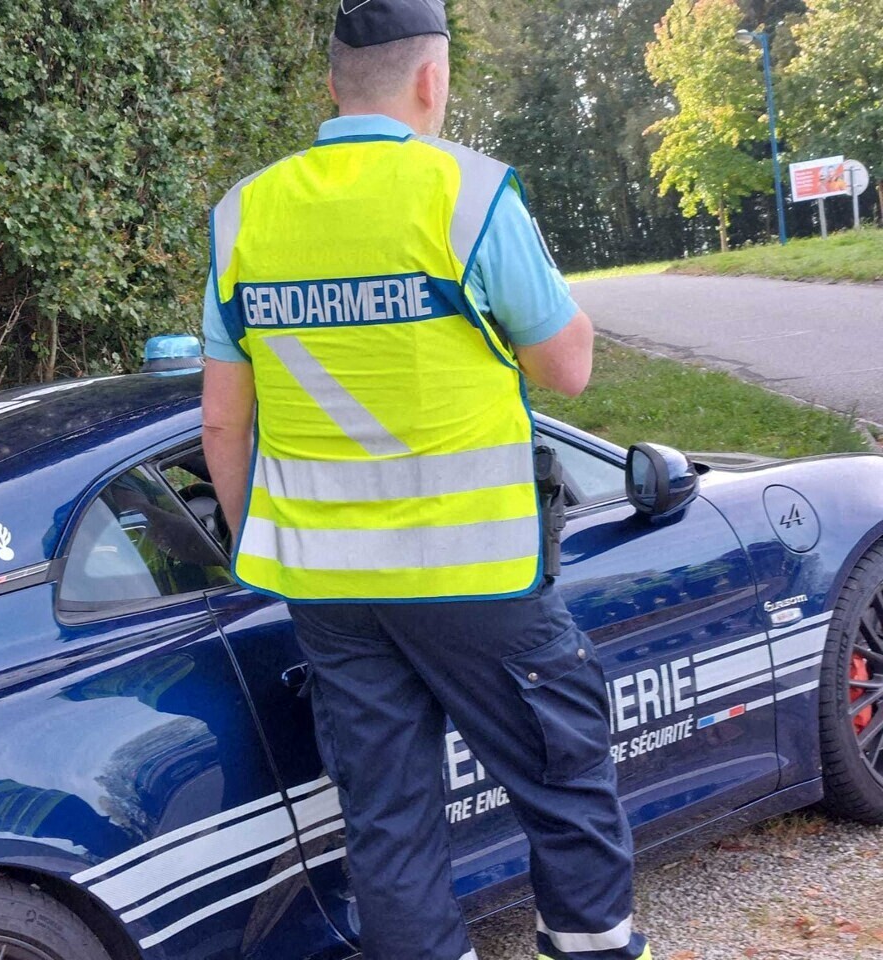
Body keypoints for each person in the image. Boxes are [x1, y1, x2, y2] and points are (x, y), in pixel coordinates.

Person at [199, 1, 652, 959]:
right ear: (433, 79)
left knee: (388, 822)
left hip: (329, 588)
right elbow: (567, 369)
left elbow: (220, 420)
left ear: (332, 84)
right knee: (561, 780)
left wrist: (262, 546)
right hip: (474, 574)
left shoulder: (243, 212)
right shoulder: (469, 195)